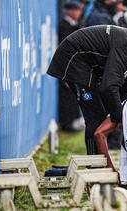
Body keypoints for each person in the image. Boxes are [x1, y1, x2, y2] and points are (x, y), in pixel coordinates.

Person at [47, 23, 127, 155]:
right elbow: (109, 87)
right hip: (74, 59)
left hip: (87, 62)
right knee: (96, 116)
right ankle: (96, 166)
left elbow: (124, 84)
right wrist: (120, 118)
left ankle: (98, 163)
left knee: (102, 113)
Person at [58, 0, 85, 132]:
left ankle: (74, 120)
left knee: (74, 95)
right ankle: (67, 123)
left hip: (76, 66)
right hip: (67, 67)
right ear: (69, 11)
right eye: (77, 10)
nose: (79, 13)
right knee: (67, 95)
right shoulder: (63, 26)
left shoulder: (77, 25)